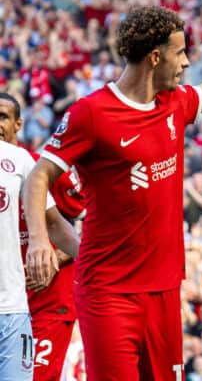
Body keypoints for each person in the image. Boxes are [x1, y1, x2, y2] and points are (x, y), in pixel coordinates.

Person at [23, 0, 202, 380]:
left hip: (164, 289)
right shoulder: (92, 113)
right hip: (108, 292)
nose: (185, 63)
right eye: (180, 53)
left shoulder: (174, 104)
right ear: (154, 57)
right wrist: (40, 241)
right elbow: (38, 176)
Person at [0, 92, 84, 381]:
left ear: (18, 124)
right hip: (13, 299)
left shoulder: (39, 168)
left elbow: (83, 219)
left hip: (49, 301)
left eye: (3, 117)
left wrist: (55, 257)